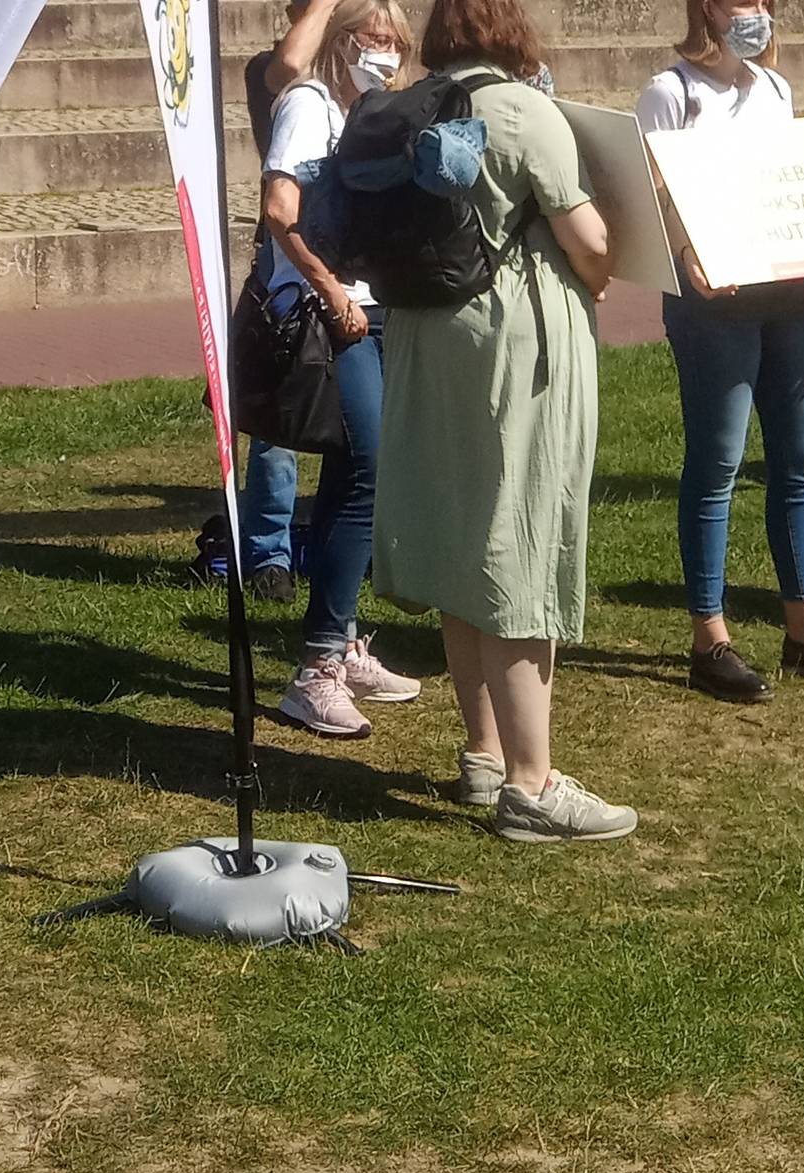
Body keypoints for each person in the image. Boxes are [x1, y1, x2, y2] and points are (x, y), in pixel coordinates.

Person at [375, 0, 634, 841]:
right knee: (518, 535)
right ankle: (531, 783)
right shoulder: (522, 110)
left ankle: (483, 753)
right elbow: (588, 241)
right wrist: (607, 262)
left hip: (425, 336)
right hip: (510, 342)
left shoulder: (411, 107)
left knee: (462, 536)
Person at [635, 0, 804, 705]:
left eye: (762, 1)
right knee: (717, 463)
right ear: (706, 8)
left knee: (800, 459)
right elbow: (650, 195)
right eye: (739, 0)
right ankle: (709, 638)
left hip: (788, 294)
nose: (753, 12)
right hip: (713, 303)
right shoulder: (670, 91)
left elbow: (797, 187)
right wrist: (687, 252)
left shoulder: (775, 87)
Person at [254, 0, 427, 738]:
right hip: (328, 313)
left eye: (393, 41)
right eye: (370, 36)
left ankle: (343, 639)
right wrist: (328, 288)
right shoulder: (309, 105)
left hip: (376, 306)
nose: (382, 50)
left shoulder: (376, 116)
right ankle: (317, 666)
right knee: (366, 467)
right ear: (342, 39)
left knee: (355, 475)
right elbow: (279, 208)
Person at [228, 0, 329, 603]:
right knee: (281, 416)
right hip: (290, 258)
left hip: (361, 257)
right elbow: (290, 65)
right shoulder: (267, 71)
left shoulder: (362, 72)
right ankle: (270, 553)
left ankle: (351, 542)